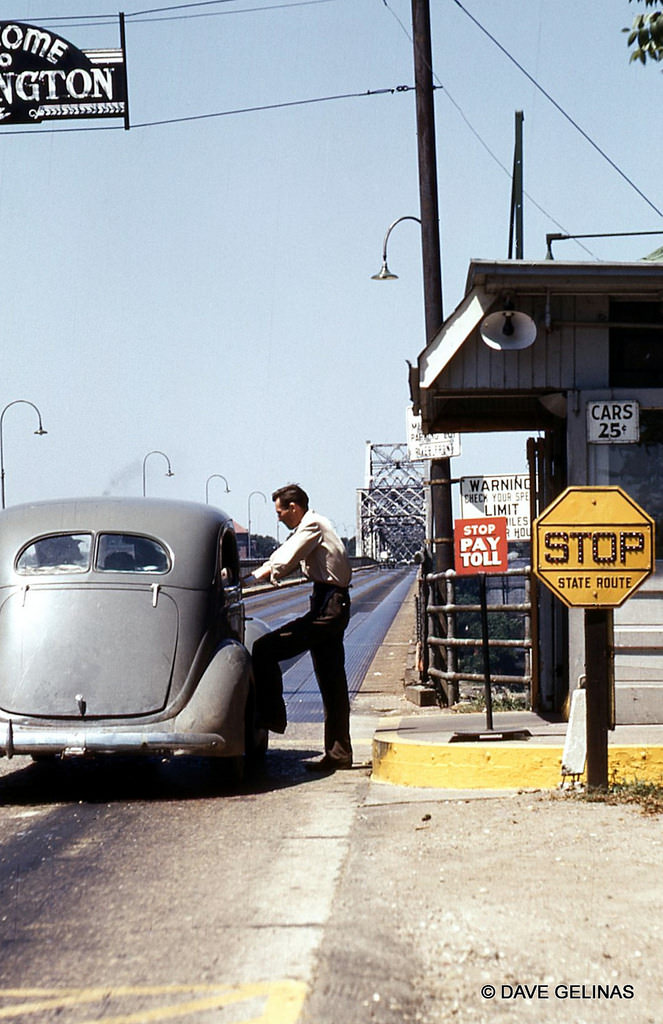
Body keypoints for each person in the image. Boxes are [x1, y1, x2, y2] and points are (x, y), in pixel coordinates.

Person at [244, 484, 353, 772]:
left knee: (265, 648)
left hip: (329, 605)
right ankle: (339, 753)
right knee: (332, 683)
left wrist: (248, 580)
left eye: (279, 511)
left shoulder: (312, 524)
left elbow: (286, 556)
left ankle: (272, 717)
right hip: (329, 602)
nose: (278, 518)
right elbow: (292, 557)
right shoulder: (313, 525)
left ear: (294, 508)